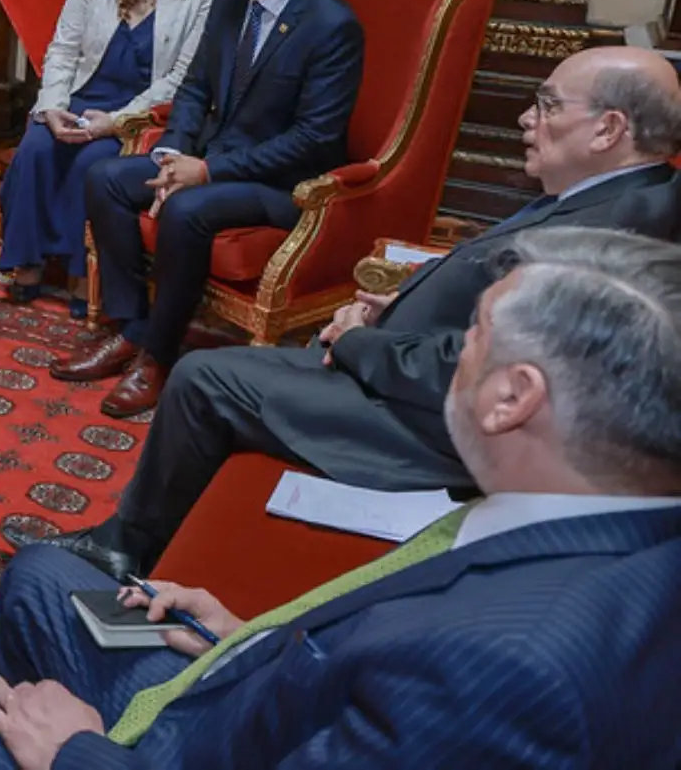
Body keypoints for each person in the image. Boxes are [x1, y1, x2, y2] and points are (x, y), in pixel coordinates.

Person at [0, 225, 681, 769]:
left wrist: (72, 751)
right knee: (41, 576)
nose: (447, 357)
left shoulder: (501, 668)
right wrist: (251, 637)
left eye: (467, 342)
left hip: (180, 749)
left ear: (515, 398)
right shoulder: (610, 523)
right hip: (253, 694)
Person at [42, 44, 681, 578]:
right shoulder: (616, 198)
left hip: (432, 427)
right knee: (242, 371)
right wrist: (399, 301)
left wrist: (356, 342)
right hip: (410, 367)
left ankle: (128, 548)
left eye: (546, 105)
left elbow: (480, 373)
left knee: (204, 380)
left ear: (609, 129)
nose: (524, 118)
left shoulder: (606, 235)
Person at [62, 0, 363, 418]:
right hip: (208, 159)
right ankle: (132, 328)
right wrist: (169, 155)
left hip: (280, 185)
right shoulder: (229, 1)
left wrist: (206, 170)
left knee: (187, 208)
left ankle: (157, 356)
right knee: (105, 178)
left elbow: (312, 140)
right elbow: (196, 89)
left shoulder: (332, 26)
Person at [0, 0, 219, 312]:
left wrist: (115, 122)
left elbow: (178, 79)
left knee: (89, 162)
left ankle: (84, 272)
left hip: (140, 116)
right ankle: (27, 263)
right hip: (80, 99)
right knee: (36, 148)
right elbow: (63, 51)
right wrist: (53, 108)